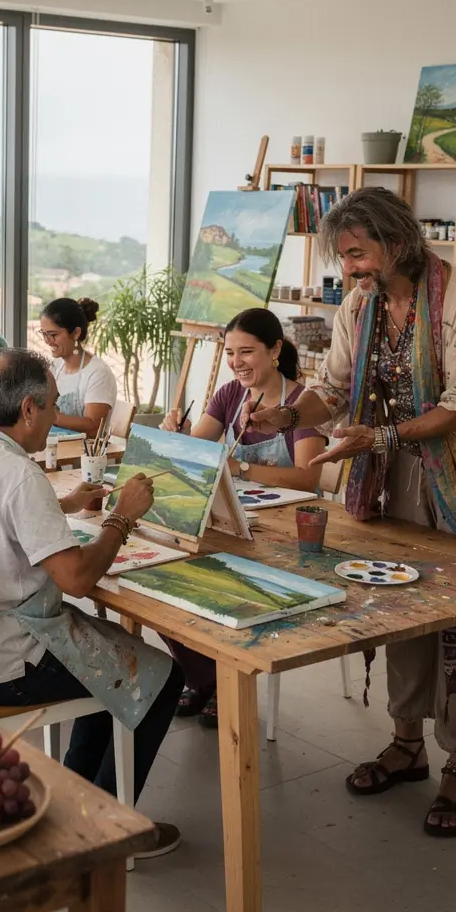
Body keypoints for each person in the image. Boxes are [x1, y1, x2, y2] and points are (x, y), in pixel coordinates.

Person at [249, 187, 456, 838]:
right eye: (343, 257)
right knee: (402, 605)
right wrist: (289, 415)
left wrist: (377, 438)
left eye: (357, 253)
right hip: (402, 478)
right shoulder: (361, 304)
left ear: (397, 240)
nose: (349, 268)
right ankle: (407, 743)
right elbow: (333, 387)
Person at [0, 347, 184, 856]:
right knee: (164, 677)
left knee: (101, 662)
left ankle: (79, 796)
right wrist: (122, 517)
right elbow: (78, 579)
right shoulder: (18, 474)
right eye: (51, 406)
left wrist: (62, 503)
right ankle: (110, 826)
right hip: (5, 662)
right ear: (27, 410)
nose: (56, 417)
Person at [160, 307, 325, 726]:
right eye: (230, 352)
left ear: (275, 351)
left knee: (212, 579)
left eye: (246, 352)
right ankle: (206, 675)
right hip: (238, 523)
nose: (236, 363)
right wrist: (177, 436)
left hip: (289, 532)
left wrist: (241, 469)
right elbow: (201, 453)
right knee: (162, 571)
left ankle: (222, 680)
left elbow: (307, 479)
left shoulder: (302, 404)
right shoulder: (230, 394)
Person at [38, 297, 117, 439]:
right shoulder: (55, 367)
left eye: (53, 335)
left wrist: (49, 416)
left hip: (83, 455)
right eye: (44, 334)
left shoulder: (98, 373)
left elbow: (94, 428)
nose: (47, 341)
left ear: (76, 333)